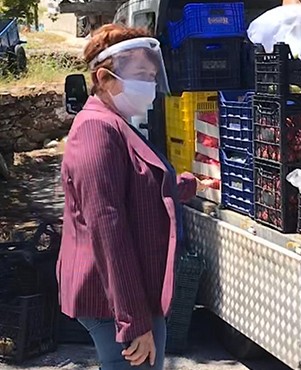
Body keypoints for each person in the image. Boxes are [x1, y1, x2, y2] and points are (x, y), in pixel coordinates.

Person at [58, 24, 212, 370]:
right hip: (115, 300)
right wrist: (133, 321)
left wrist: (186, 186)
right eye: (141, 75)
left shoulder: (117, 121)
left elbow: (137, 188)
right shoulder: (97, 129)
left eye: (152, 75)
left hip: (131, 296)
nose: (151, 85)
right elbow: (107, 227)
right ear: (104, 77)